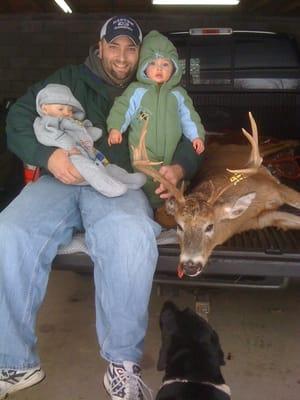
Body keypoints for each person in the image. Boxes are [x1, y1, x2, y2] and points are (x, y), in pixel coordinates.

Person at [0, 16, 202, 400]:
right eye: (115, 47)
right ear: (100, 47)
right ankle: (14, 362)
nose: (122, 57)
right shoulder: (70, 78)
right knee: (8, 230)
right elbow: (19, 117)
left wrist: (179, 167)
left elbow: (189, 133)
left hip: (119, 183)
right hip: (61, 179)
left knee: (132, 236)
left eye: (130, 48)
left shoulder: (156, 87)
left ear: (141, 52)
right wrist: (48, 155)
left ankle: (122, 365)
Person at [107, 30, 205, 208]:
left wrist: (196, 136)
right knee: (146, 182)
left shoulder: (178, 95)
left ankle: (167, 209)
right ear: (144, 68)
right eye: (152, 63)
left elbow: (189, 117)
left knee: (171, 182)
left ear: (174, 69)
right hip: (144, 153)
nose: (159, 68)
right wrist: (116, 128)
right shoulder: (136, 91)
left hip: (171, 152)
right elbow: (122, 109)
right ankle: (148, 208)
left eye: (165, 64)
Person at [34, 83, 146, 197]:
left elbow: (80, 131)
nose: (66, 112)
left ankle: (126, 179)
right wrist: (69, 146)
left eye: (70, 110)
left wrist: (90, 131)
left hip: (87, 151)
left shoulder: (70, 121)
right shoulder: (47, 122)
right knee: (89, 168)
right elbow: (49, 135)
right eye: (61, 108)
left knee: (105, 165)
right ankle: (107, 187)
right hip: (70, 156)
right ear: (44, 109)